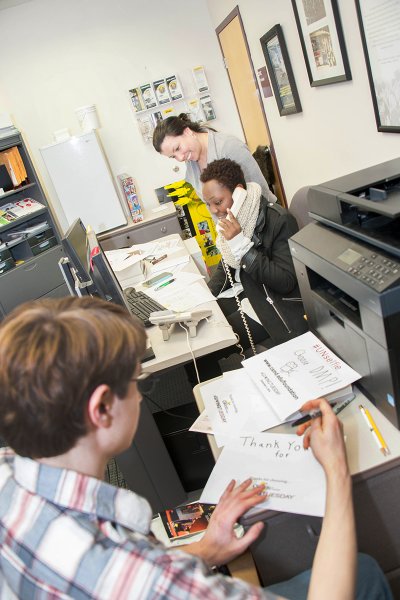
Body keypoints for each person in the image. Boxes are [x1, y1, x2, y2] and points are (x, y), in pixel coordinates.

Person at [0, 296, 391, 599]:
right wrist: (336, 468)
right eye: (137, 381)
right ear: (101, 408)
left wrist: (204, 549)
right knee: (366, 575)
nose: (138, 396)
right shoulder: (147, 582)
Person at [201, 158, 308, 351]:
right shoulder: (240, 218)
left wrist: (241, 245)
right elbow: (227, 264)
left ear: (239, 192)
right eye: (208, 204)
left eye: (218, 202)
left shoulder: (279, 221)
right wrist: (203, 296)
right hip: (253, 295)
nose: (214, 211)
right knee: (203, 320)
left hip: (277, 308)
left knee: (210, 343)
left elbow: (285, 282)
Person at [152, 113, 277, 204]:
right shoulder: (191, 167)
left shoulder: (228, 146)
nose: (180, 158)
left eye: (178, 148)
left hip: (265, 223)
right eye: (173, 156)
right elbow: (213, 211)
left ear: (188, 132)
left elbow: (260, 192)